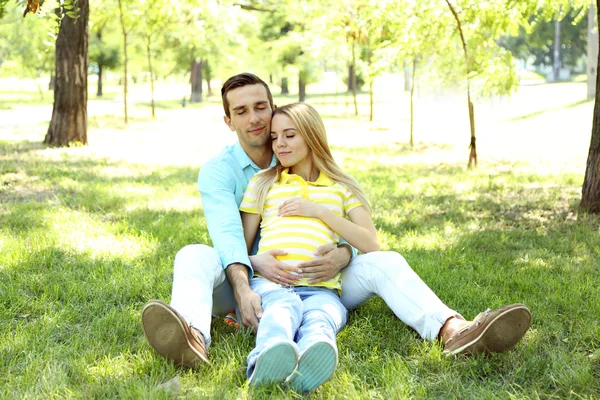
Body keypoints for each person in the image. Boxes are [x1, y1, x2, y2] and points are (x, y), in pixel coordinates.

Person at [141, 72, 531, 373]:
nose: (257, 121)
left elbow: (354, 227)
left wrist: (344, 254)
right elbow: (230, 238)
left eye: (261, 107)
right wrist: (248, 280)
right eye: (241, 111)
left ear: (278, 112)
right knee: (193, 254)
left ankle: (453, 330)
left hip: (323, 279)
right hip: (254, 278)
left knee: (387, 261)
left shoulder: (299, 157)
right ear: (228, 121)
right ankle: (193, 339)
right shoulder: (223, 173)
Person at [240, 102, 380, 391]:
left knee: (322, 317)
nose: (279, 144)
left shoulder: (342, 187)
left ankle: (312, 360)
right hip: (271, 283)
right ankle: (266, 359)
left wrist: (319, 211)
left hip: (322, 287)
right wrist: (255, 261)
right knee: (282, 308)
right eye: (275, 137)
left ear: (312, 135)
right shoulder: (264, 182)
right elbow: (239, 247)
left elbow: (371, 243)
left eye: (289, 135)